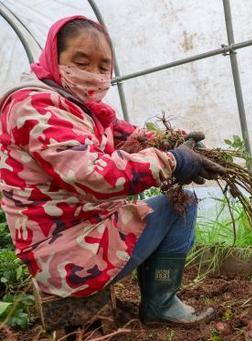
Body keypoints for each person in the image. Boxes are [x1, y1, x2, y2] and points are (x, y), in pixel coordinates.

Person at [0, 16, 223, 325]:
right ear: (54, 58)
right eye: (81, 62)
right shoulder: (35, 109)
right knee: (181, 205)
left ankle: (159, 301)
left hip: (73, 233)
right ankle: (161, 304)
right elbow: (93, 174)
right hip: (64, 255)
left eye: (103, 67)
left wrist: (170, 142)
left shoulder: (76, 108)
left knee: (171, 202)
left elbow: (121, 132)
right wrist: (173, 161)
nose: (94, 75)